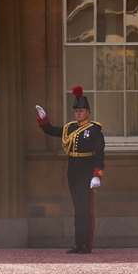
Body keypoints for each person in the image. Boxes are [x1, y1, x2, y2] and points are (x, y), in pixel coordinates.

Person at [36, 85, 105, 254]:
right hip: (73, 170)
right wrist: (43, 119)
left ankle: (86, 244)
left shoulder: (94, 129)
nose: (78, 114)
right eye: (76, 111)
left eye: (81, 111)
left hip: (87, 169)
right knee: (77, 208)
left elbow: (99, 153)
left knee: (85, 209)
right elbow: (51, 130)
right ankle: (78, 243)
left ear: (88, 112)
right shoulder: (70, 128)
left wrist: (97, 175)